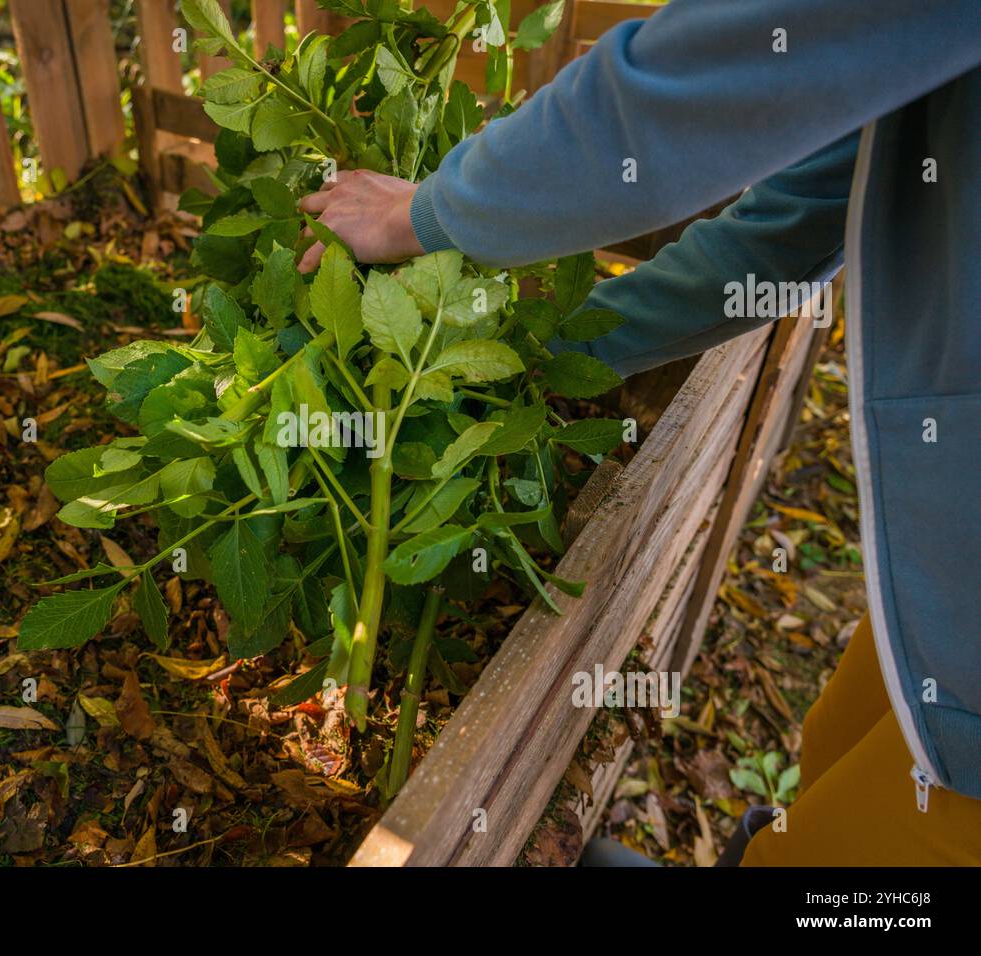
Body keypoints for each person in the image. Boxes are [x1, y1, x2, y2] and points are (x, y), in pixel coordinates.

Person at [298, 0, 981, 865]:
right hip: (952, 573)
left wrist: (422, 216)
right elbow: (793, 220)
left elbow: (674, 91)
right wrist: (536, 353)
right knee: (848, 751)